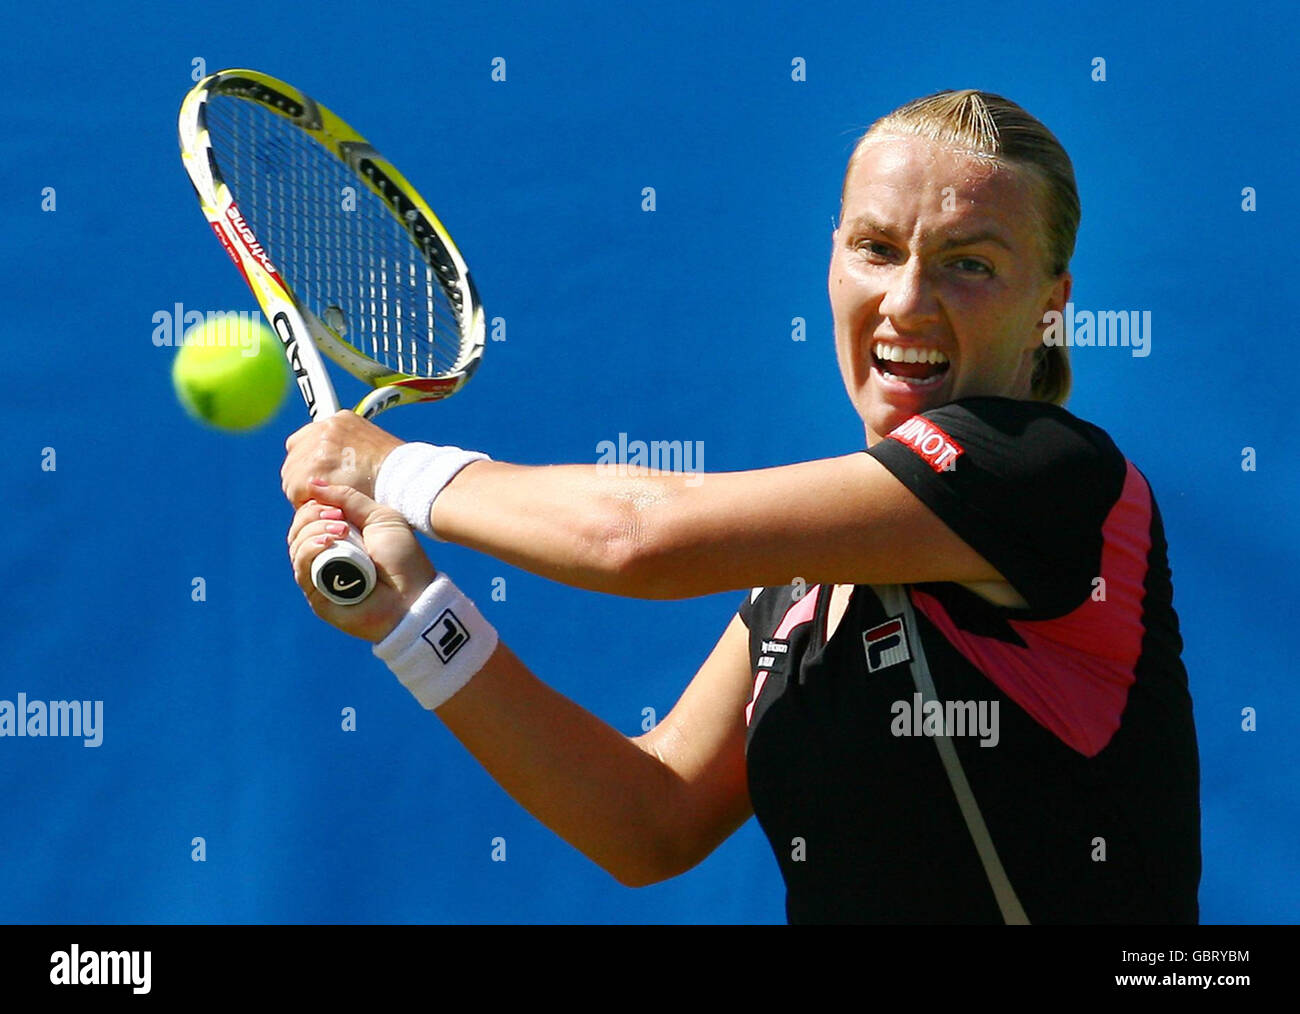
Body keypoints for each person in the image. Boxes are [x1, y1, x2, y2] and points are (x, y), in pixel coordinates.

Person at [281, 89, 1200, 924]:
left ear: (1051, 303)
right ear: (832, 261)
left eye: (969, 264)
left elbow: (637, 537)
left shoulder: (1046, 474)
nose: (907, 301)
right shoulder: (806, 583)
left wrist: (395, 470)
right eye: (875, 249)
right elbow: (649, 819)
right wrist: (409, 613)